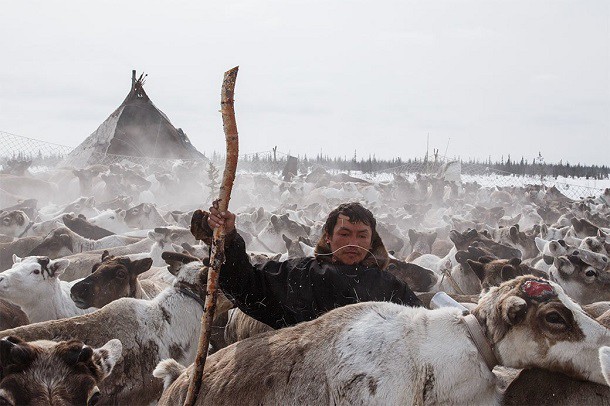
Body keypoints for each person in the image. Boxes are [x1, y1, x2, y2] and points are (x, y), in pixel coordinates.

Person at [191, 202, 423, 329]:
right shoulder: (301, 275)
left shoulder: (392, 288)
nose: (353, 243)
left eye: (362, 236)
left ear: (372, 241)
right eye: (345, 233)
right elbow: (245, 286)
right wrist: (228, 239)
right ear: (328, 237)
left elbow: (422, 328)